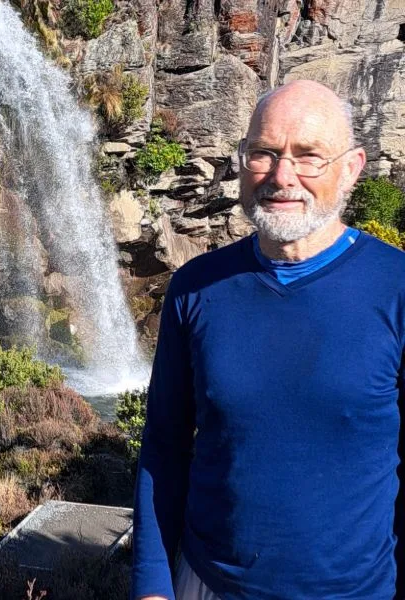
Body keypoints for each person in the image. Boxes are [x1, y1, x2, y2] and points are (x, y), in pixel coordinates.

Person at [131, 79, 405, 600]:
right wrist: (151, 585)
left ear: (351, 168)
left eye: (308, 157)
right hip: (207, 583)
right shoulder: (196, 286)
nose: (282, 176)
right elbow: (164, 444)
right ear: (241, 160)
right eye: (265, 152)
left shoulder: (397, 288)